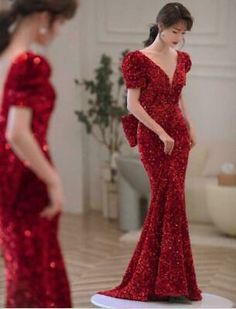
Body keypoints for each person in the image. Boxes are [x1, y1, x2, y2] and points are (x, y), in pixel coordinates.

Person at [98, 2, 202, 303]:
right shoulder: (137, 60)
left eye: (182, 33)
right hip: (153, 137)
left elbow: (179, 97)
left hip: (178, 137)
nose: (178, 38)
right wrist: (160, 132)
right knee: (163, 198)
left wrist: (190, 125)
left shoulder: (183, 59)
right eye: (173, 31)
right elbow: (133, 105)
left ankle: (173, 283)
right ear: (159, 26)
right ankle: (153, 281)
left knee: (174, 202)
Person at [0, 0, 78, 307]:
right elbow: (17, 133)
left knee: (22, 268)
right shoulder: (30, 62)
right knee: (38, 271)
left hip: (7, 172)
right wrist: (53, 179)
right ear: (46, 17)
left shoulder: (6, 56)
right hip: (26, 174)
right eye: (61, 23)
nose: (59, 31)